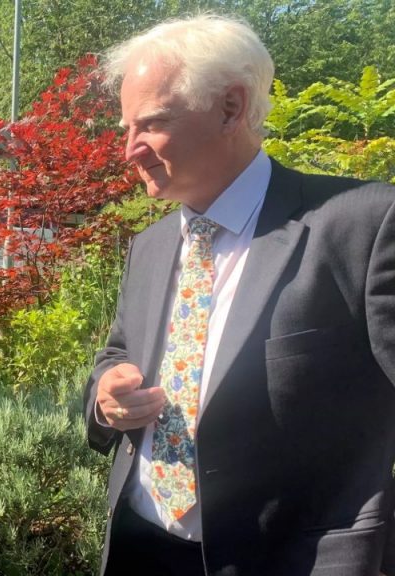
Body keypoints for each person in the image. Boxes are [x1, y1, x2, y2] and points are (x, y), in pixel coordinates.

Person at [85, 14, 395, 576]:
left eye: (151, 124)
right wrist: (107, 393)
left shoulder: (363, 225)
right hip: (141, 547)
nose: (130, 150)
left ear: (231, 107)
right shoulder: (151, 247)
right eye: (126, 128)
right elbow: (119, 354)